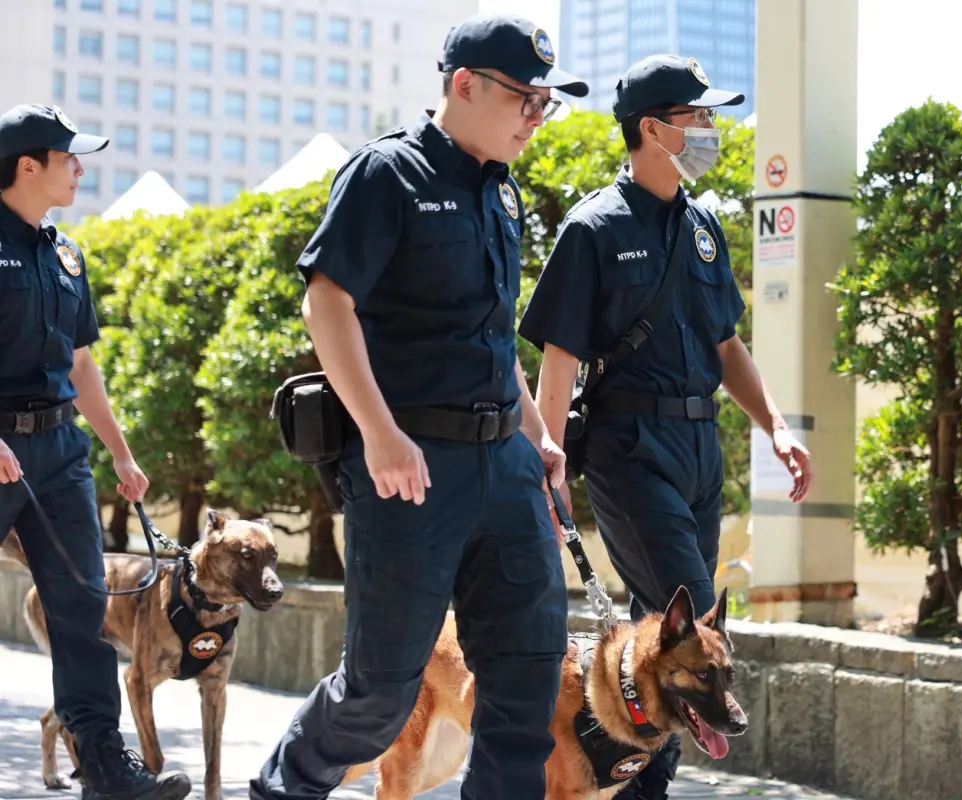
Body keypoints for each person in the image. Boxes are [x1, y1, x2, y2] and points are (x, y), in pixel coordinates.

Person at [247, 14, 589, 800]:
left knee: (528, 679)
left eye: (548, 103)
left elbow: (494, 342)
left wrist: (539, 443)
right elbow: (327, 304)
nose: (536, 117)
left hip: (504, 465)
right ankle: (282, 789)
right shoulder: (386, 175)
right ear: (463, 85)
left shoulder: (503, 194)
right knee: (379, 694)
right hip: (411, 469)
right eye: (525, 99)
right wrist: (379, 434)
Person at [518, 54, 814, 799]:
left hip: (699, 447)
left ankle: (612, 773)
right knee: (686, 638)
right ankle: (641, 784)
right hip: (630, 447)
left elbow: (726, 344)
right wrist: (546, 470)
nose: (714, 129)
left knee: (684, 629)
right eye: (700, 116)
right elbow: (559, 360)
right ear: (652, 129)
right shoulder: (593, 228)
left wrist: (774, 426)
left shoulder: (704, 224)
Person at [0, 103, 191, 800]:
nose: (80, 168)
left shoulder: (65, 252)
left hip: (58, 451)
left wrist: (119, 451)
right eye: (69, 157)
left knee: (82, 608)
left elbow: (81, 364)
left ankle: (107, 770)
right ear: (28, 166)